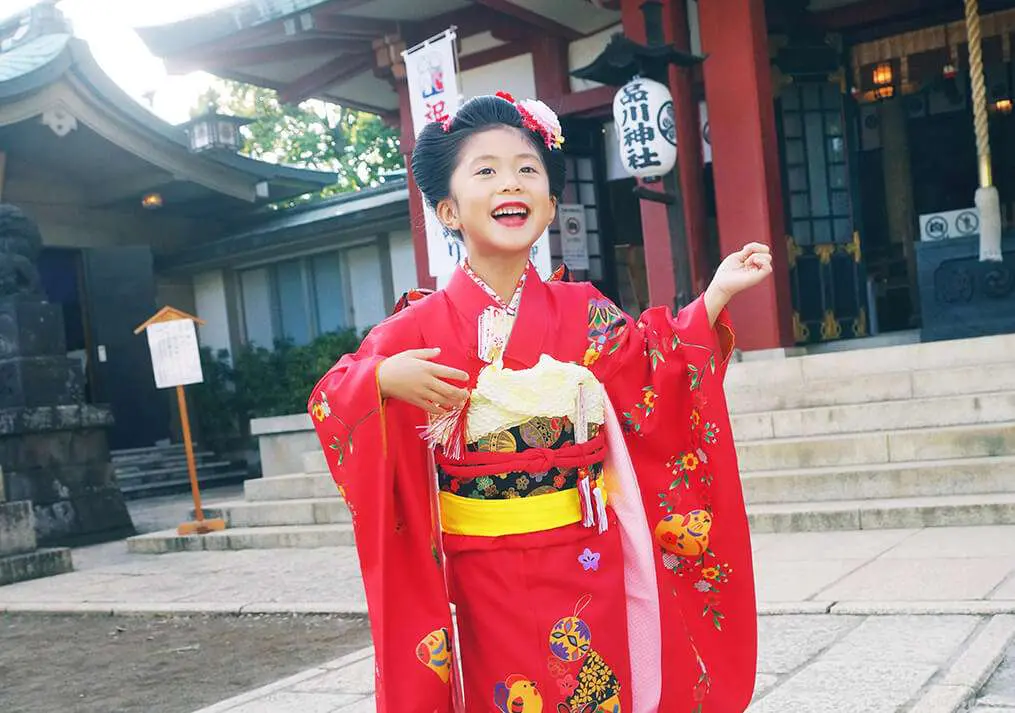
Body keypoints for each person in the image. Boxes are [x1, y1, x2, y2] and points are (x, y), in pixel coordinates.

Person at [308, 92, 773, 713]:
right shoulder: (415, 328)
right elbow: (334, 395)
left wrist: (712, 297)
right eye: (487, 170)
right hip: (481, 574)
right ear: (448, 210)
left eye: (529, 170)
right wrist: (382, 380)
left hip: (585, 555)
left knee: (593, 690)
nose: (512, 183)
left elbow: (655, 374)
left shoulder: (582, 310)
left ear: (551, 205)